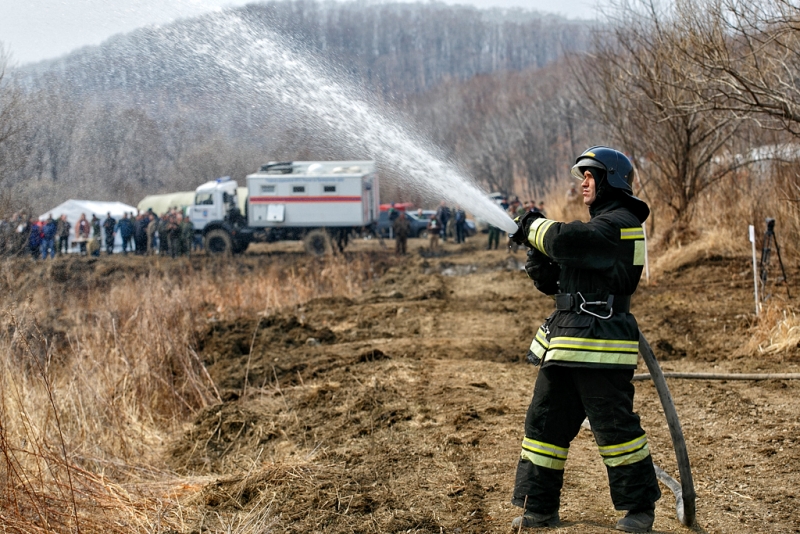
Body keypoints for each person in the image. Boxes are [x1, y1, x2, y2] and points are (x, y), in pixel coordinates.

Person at [508, 146, 659, 533]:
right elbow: (561, 280)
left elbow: (567, 240)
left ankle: (639, 510)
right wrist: (539, 259)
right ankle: (539, 508)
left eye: (591, 175)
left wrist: (534, 227)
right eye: (583, 176)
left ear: (611, 180)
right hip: (566, 341)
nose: (584, 182)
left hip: (601, 345)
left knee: (615, 430)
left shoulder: (621, 224)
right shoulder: (599, 230)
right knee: (544, 426)